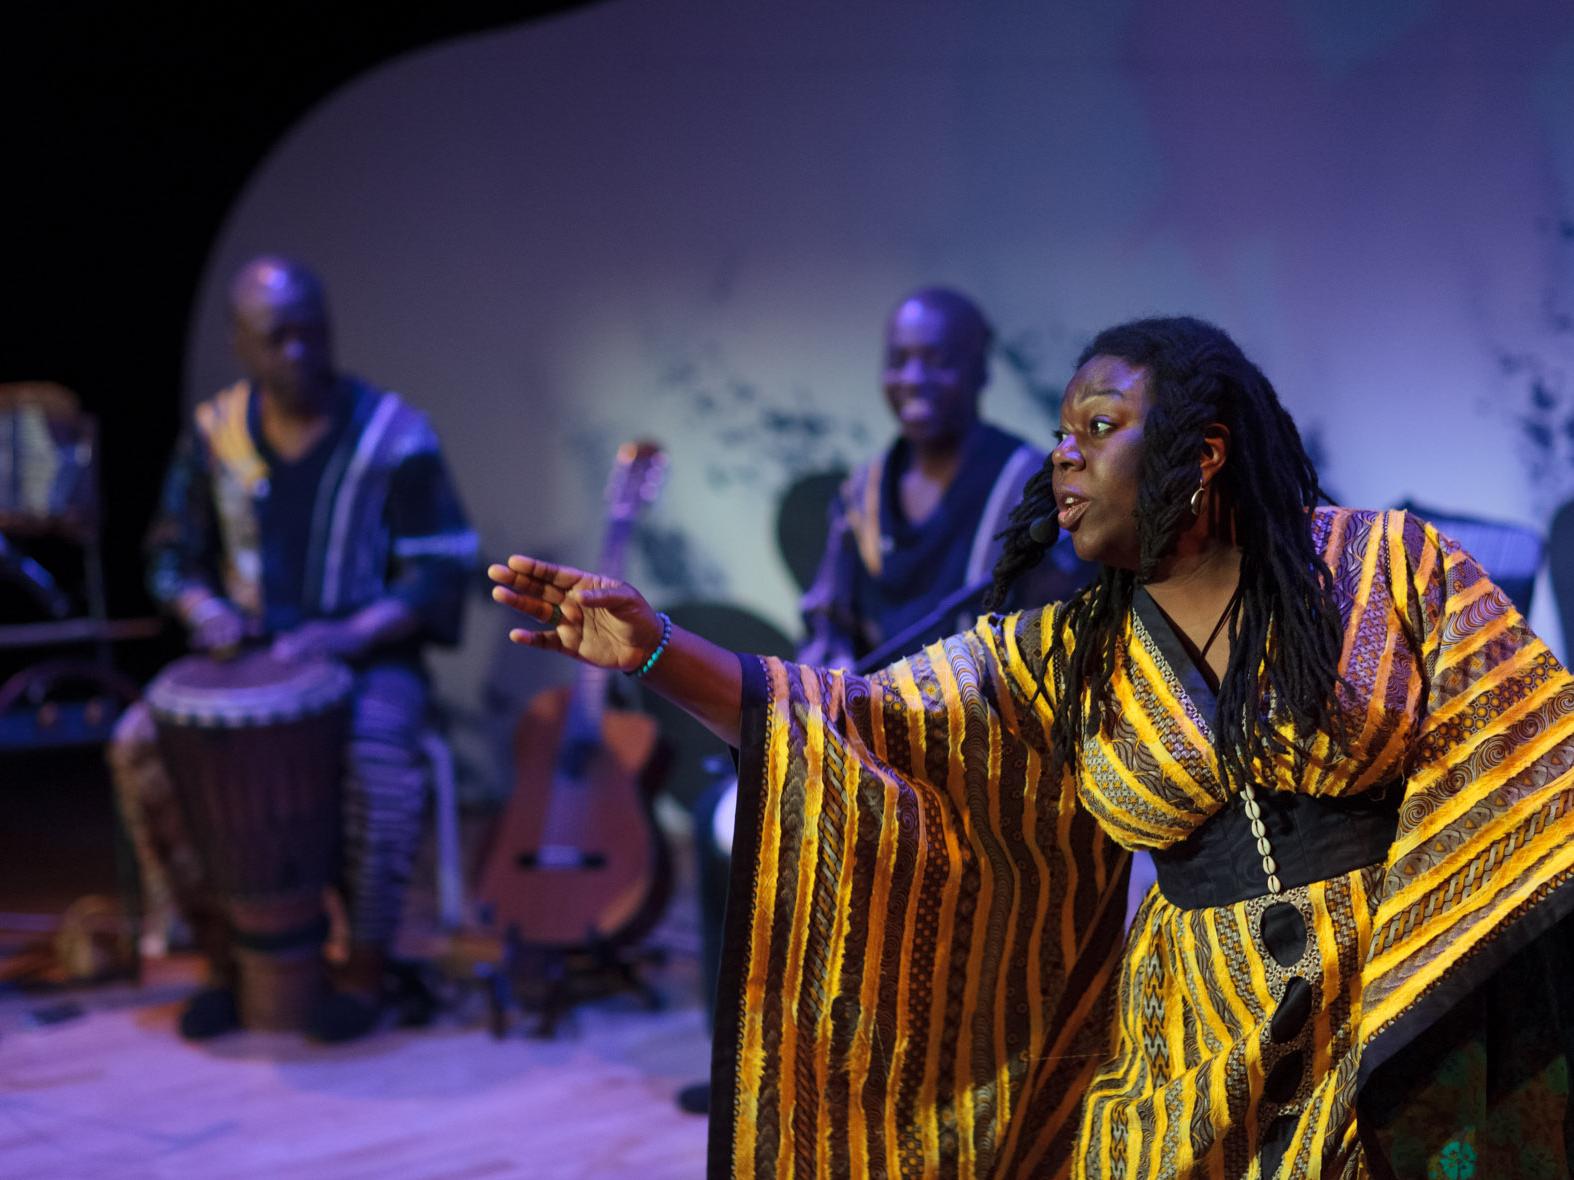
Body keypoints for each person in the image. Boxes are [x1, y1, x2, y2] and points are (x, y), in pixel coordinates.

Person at [490, 315, 1573, 1177]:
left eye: (1098, 428)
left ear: (1198, 456)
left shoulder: (1386, 564)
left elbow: (1533, 744)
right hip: (1196, 1038)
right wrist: (655, 650)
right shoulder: (1061, 653)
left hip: (1406, 998)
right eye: (1061, 433)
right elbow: (855, 728)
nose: (1063, 456)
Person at [110, 256, 476, 1042]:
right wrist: (202, 608)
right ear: (242, 345)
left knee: (380, 760)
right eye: (277, 338)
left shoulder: (392, 436)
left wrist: (349, 633)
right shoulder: (215, 435)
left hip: (369, 656)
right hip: (249, 658)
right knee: (141, 747)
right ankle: (223, 959)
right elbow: (171, 554)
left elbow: (442, 565)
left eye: (312, 333)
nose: (299, 353)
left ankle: (366, 970)